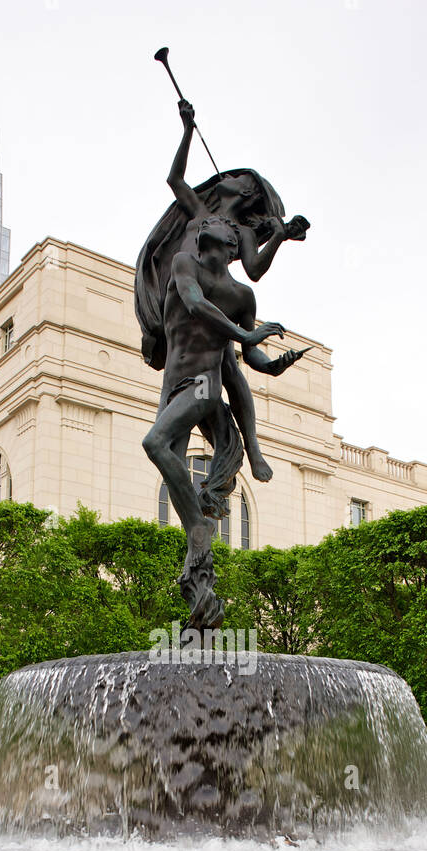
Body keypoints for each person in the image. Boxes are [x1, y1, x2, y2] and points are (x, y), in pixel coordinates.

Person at [143, 215, 305, 630]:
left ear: (233, 245)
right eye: (209, 221)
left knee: (155, 444)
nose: (211, 221)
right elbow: (195, 303)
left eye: (221, 224)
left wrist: (272, 364)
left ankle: (200, 525)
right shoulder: (184, 264)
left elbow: (249, 360)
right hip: (172, 385)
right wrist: (245, 336)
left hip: (203, 386)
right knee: (170, 466)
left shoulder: (242, 295)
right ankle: (197, 580)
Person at [135, 99, 310, 483]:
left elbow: (254, 270)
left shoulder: (242, 233)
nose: (229, 177)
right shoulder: (199, 212)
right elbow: (175, 180)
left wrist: (277, 238)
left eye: (241, 178)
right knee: (199, 384)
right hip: (184, 299)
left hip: (215, 300)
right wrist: (186, 132)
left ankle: (253, 447)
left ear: (247, 193)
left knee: (230, 366)